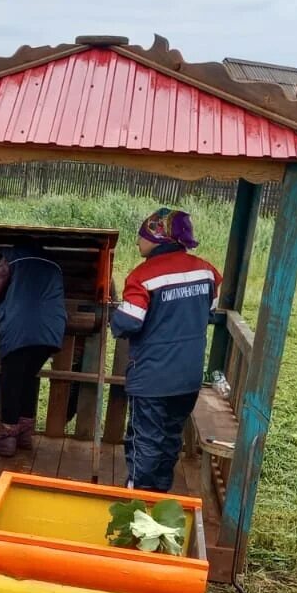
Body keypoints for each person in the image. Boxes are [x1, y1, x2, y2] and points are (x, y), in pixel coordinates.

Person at [111, 208, 222, 491]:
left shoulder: (144, 275)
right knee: (170, 438)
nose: (137, 242)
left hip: (152, 377)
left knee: (144, 441)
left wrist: (115, 317)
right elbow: (208, 312)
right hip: (188, 376)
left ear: (158, 238)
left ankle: (137, 506)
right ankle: (159, 497)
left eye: (142, 235)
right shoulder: (207, 271)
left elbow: (129, 322)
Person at [0, 243, 67, 456]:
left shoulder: (10, 257)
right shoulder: (53, 263)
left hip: (21, 327)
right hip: (51, 329)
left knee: (12, 381)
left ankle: (7, 440)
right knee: (28, 378)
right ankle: (24, 435)